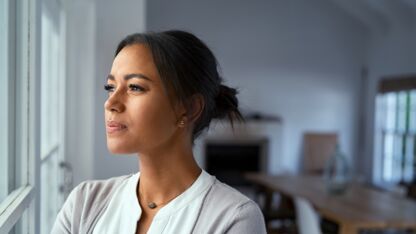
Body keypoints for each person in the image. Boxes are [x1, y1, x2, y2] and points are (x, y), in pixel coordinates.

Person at [51, 30, 267, 234]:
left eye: (135, 87)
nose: (111, 103)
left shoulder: (234, 219)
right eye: (110, 87)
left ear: (189, 108)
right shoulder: (85, 202)